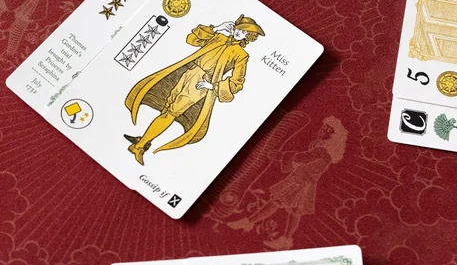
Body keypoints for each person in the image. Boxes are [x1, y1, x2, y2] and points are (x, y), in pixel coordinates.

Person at [124, 15, 265, 165]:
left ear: (248, 37)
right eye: (238, 28)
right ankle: (144, 140)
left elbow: (237, 82)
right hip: (188, 72)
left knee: (171, 113)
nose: (238, 32)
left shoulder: (241, 55)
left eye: (243, 32)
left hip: (201, 84)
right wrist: (216, 28)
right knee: (167, 108)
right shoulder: (219, 37)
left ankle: (139, 146)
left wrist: (212, 86)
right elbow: (192, 39)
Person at [228, 117, 348, 249]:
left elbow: (303, 158)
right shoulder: (320, 147)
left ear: (334, 137)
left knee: (288, 207)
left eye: (328, 130)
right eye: (324, 127)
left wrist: (281, 156)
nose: (322, 130)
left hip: (302, 182)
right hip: (300, 179)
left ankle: (274, 234)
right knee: (284, 205)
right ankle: (258, 226)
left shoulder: (323, 151)